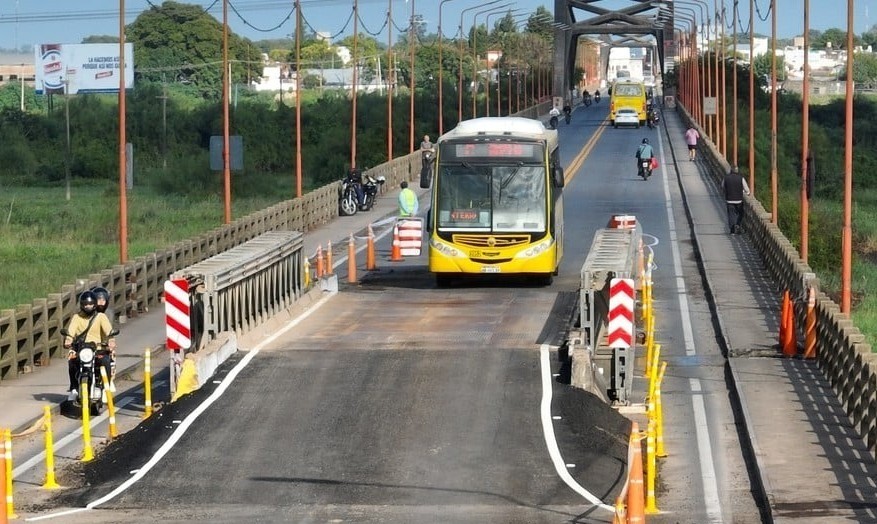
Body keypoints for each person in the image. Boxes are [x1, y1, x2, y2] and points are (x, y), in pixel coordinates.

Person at [64, 290, 116, 402]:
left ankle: (105, 390)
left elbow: (108, 330)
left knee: (106, 362)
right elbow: (71, 330)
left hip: (98, 349)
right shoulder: (77, 317)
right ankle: (74, 388)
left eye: (91, 304)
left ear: (94, 305)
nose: (88, 307)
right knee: (72, 362)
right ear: (82, 305)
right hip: (81, 350)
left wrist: (111, 339)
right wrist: (68, 339)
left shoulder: (101, 317)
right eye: (86, 304)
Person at [91, 286, 117, 392]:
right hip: (89, 345)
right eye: (98, 300)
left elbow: (109, 330)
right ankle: (75, 386)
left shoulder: (108, 314)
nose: (101, 302)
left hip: (103, 344)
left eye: (103, 300)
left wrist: (109, 341)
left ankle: (108, 382)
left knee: (109, 360)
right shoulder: (88, 313)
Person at [722, 166, 750, 234]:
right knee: (740, 213)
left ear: (731, 171)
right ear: (737, 171)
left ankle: (732, 230)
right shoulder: (741, 178)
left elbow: (722, 186)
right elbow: (746, 189)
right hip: (739, 200)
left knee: (731, 214)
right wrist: (748, 193)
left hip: (729, 200)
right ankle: (737, 224)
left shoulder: (726, 178)